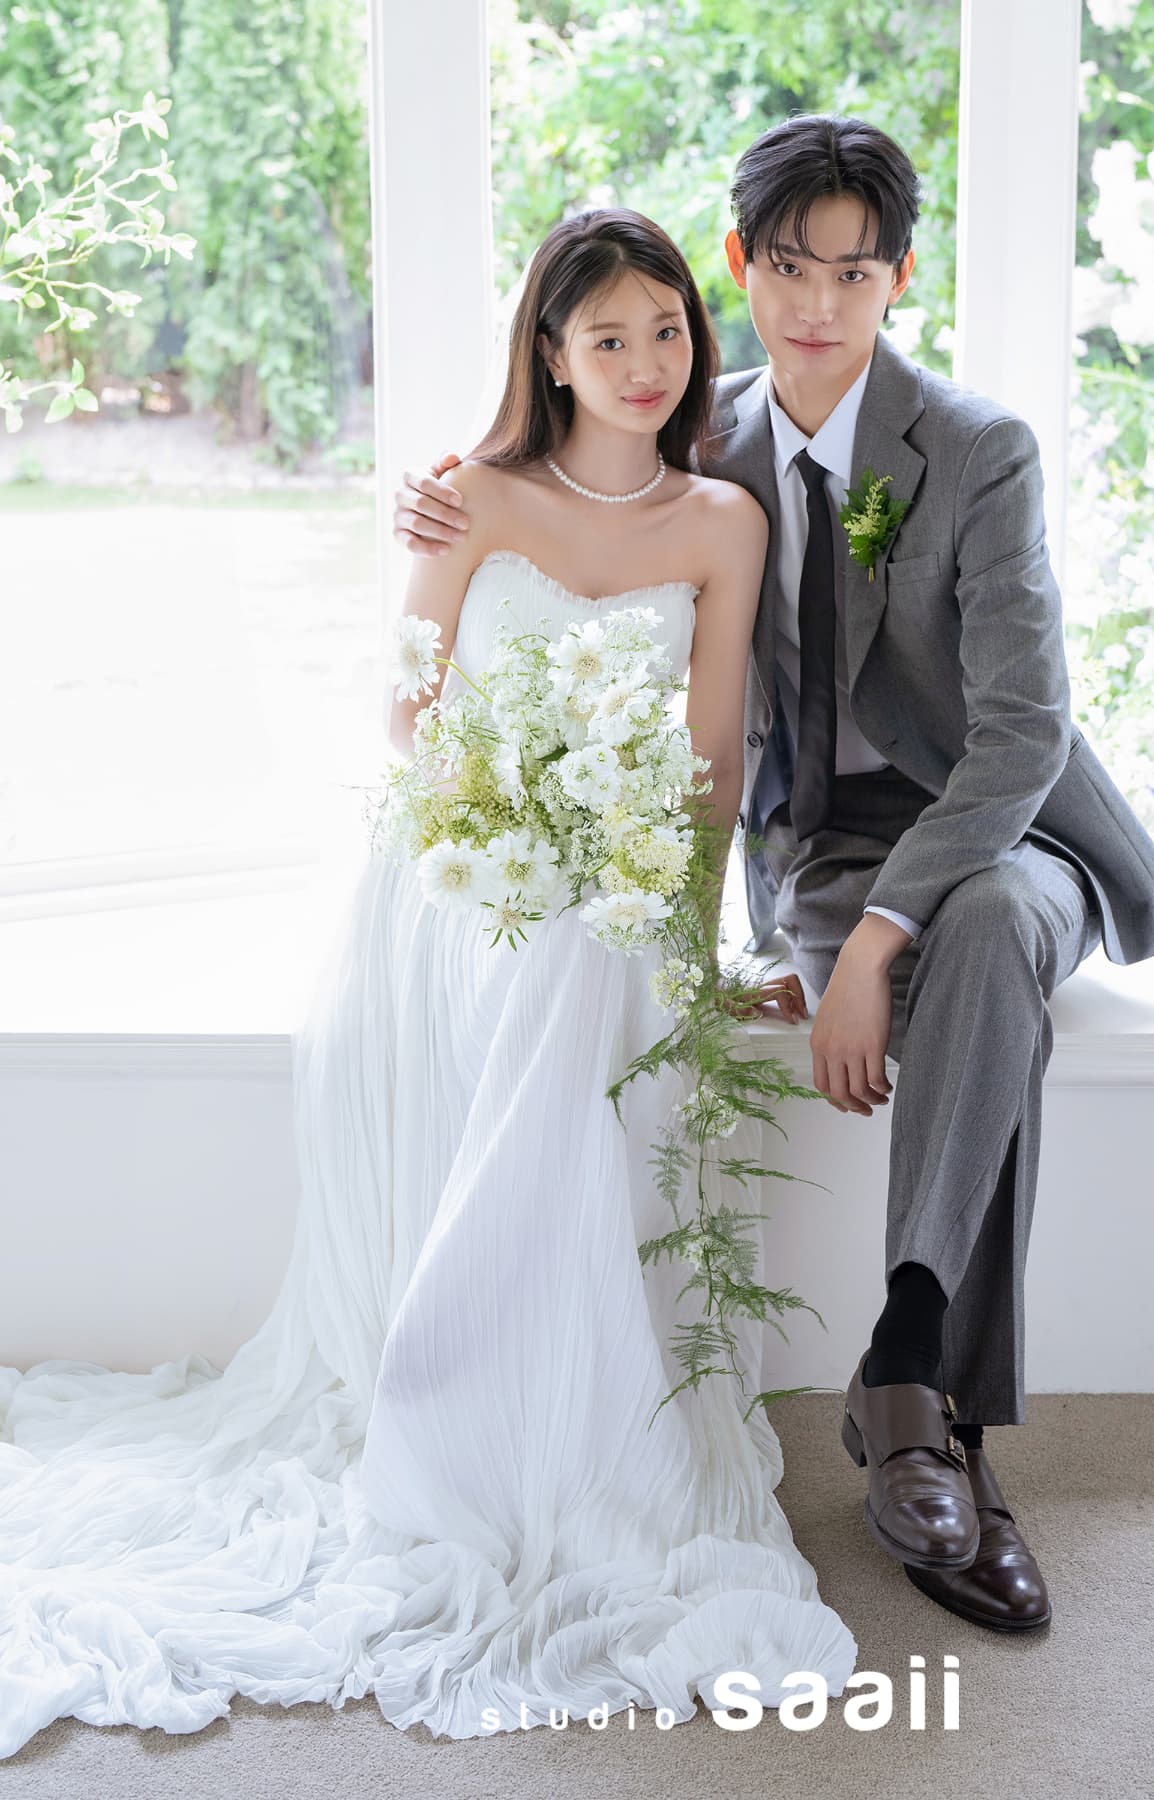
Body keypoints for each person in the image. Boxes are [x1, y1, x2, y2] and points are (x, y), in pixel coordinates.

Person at [0, 206, 860, 1760]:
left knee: (596, 958)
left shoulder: (722, 523)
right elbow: (406, 714)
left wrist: (691, 931)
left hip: (617, 875)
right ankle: (456, 1417)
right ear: (552, 353)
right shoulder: (472, 494)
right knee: (557, 958)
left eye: (668, 330)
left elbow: (713, 764)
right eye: (608, 337)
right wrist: (522, 803)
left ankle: (524, 1411)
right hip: (464, 869)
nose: (647, 362)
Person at [394, 113, 1154, 1635]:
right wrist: (433, 504)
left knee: (990, 927)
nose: (820, 302)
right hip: (824, 846)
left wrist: (879, 940)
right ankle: (934, 1423)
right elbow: (555, 499)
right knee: (966, 966)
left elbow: (1025, 729)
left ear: (902, 276)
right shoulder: (693, 428)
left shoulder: (977, 449)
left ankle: (908, 1386)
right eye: (788, 267)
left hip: (1008, 826)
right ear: (740, 265)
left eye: (854, 271)